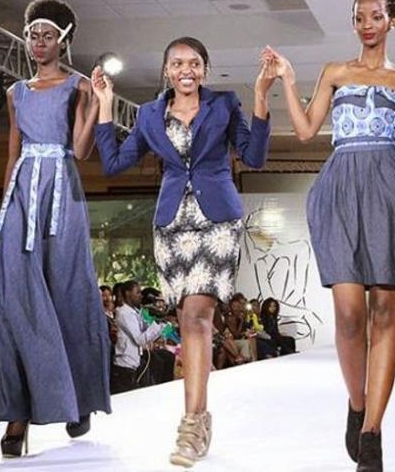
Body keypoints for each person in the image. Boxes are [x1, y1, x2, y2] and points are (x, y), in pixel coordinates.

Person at [262, 0, 395, 471]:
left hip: (390, 187)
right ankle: (357, 405)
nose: (366, 24)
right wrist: (287, 79)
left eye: (375, 16)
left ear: (392, 21)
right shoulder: (334, 71)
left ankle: (372, 431)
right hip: (339, 185)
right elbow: (308, 131)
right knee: (350, 314)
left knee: (385, 311)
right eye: (359, 16)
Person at [93, 36, 273, 467]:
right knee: (188, 317)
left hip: (217, 221)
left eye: (194, 62)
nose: (186, 69)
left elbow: (255, 155)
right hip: (172, 224)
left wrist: (262, 95)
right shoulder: (150, 115)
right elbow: (115, 163)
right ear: (167, 71)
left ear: (205, 70)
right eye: (177, 63)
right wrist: (103, 104)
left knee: (197, 316)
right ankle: (199, 418)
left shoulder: (225, 104)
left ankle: (192, 422)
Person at [0, 0, 111, 458]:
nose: (37, 43)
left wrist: (99, 102)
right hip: (23, 195)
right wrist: (4, 212)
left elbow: (82, 150)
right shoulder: (15, 92)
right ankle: (16, 415)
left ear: (63, 41)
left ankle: (76, 397)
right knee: (15, 303)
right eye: (31, 35)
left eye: (46, 35)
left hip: (62, 191)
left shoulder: (79, 86)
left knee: (66, 295)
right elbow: (12, 153)